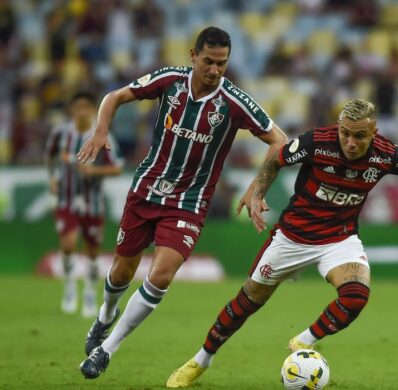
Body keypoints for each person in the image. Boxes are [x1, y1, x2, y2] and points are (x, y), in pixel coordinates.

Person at [166, 99, 398, 388]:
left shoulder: (386, 155)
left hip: (339, 239)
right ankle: (201, 360)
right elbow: (275, 160)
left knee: (357, 295)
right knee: (248, 301)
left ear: (374, 131)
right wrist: (258, 193)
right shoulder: (316, 142)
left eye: (359, 136)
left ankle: (304, 341)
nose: (350, 142)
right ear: (337, 128)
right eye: (345, 133)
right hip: (292, 236)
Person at [77, 26, 287, 379]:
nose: (215, 70)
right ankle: (105, 315)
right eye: (208, 61)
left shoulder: (234, 102)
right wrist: (100, 130)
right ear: (193, 55)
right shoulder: (169, 80)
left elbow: (279, 140)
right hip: (146, 190)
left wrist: (257, 186)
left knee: (159, 276)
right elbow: (114, 96)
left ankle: (107, 349)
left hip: (189, 203)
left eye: (222, 63)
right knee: (121, 271)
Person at [44, 91, 124, 318]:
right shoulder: (61, 133)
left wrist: (94, 170)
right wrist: (52, 177)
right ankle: (69, 286)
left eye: (85, 107)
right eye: (76, 107)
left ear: (92, 110)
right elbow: (49, 157)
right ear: (72, 110)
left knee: (92, 252)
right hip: (66, 200)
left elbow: (117, 167)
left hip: (93, 202)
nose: (81, 112)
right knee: (68, 244)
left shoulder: (102, 135)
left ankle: (89, 291)